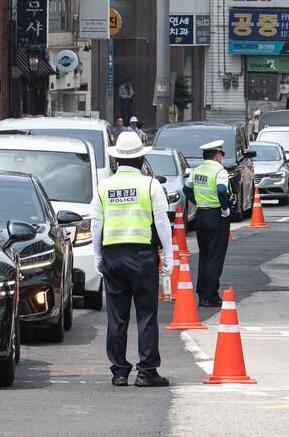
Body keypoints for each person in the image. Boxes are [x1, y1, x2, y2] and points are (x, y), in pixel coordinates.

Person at [90, 130, 173, 387]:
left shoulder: (104, 187)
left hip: (113, 256)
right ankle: (147, 371)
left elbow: (96, 224)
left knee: (117, 316)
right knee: (146, 313)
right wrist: (168, 254)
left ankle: (119, 371)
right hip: (143, 256)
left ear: (117, 161)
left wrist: (97, 255)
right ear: (140, 160)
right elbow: (161, 222)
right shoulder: (151, 185)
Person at [184, 140, 231, 308]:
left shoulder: (196, 171)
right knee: (215, 257)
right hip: (216, 215)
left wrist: (198, 201)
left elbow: (187, 189)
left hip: (201, 215)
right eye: (221, 155)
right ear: (217, 155)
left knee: (204, 256)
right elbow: (221, 190)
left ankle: (202, 293)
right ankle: (211, 295)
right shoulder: (220, 171)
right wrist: (225, 209)